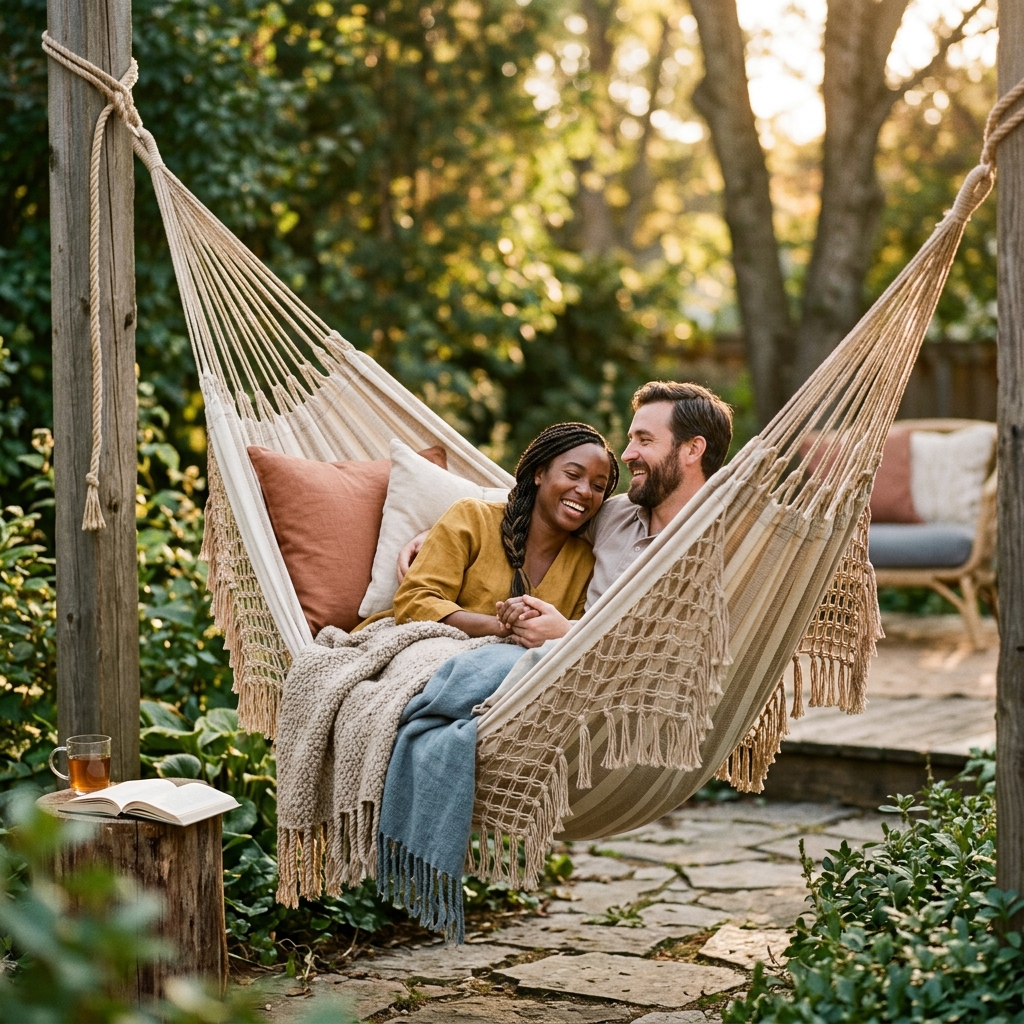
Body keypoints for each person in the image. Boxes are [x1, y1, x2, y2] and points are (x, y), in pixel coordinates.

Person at [396, 381, 733, 646]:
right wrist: (439, 530)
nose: (628, 454)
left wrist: (566, 634)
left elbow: (674, 647)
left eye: (644, 440)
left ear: (693, 449)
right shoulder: (612, 516)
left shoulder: (728, 546)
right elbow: (545, 505)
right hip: (543, 675)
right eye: (631, 439)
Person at [360, 421, 620, 637]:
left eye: (598, 487)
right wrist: (501, 627)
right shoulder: (472, 517)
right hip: (421, 651)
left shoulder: (585, 563)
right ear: (539, 474)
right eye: (573, 475)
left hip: (512, 687)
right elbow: (414, 603)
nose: (585, 491)